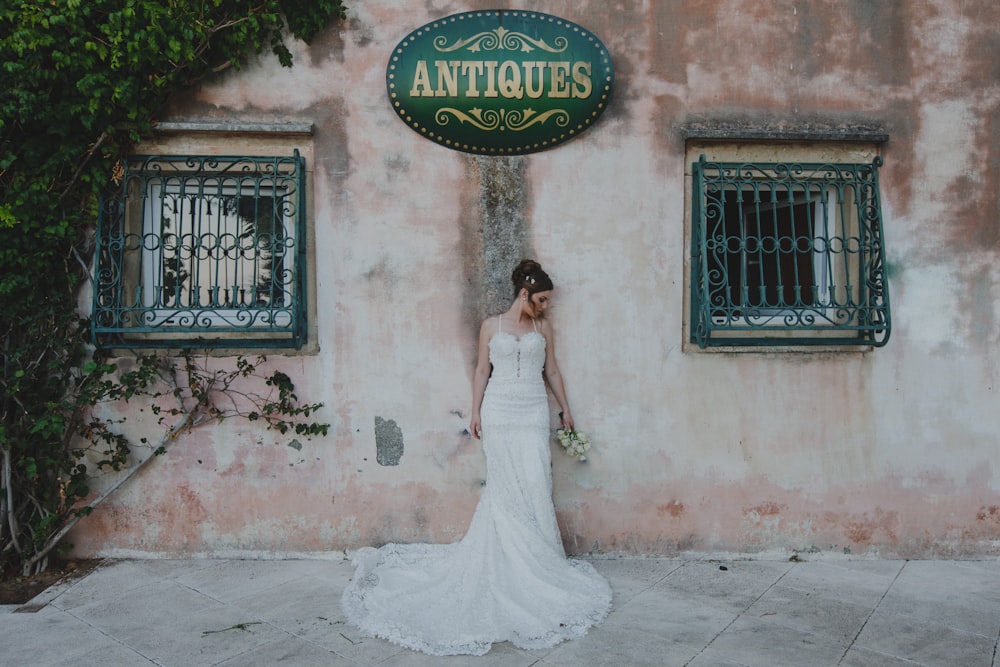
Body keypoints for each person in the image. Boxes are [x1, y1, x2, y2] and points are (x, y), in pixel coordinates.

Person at [341, 259, 612, 656]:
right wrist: (475, 411)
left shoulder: (543, 328)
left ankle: (538, 563)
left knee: (536, 480)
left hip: (533, 412)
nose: (546, 306)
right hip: (500, 413)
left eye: (548, 301)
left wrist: (565, 409)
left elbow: (551, 371)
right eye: (542, 300)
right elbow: (482, 371)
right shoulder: (492, 326)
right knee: (505, 486)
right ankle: (508, 562)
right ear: (524, 293)